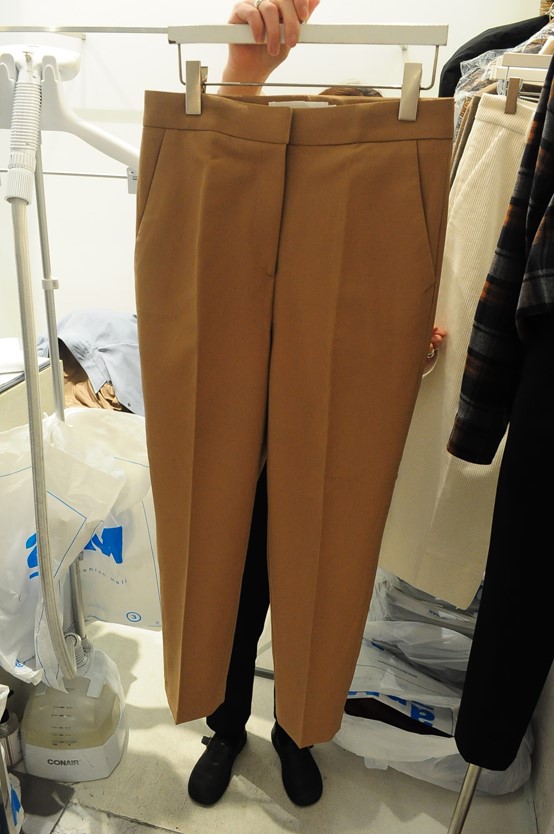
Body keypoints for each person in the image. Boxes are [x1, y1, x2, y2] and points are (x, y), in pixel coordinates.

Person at [185, 0, 447, 810]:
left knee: (321, 593)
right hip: (246, 440)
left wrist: (403, 348)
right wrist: (244, 76)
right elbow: (212, 223)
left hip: (322, 446)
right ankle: (226, 726)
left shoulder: (383, 232)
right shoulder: (256, 215)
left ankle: (296, 732)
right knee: (232, 593)